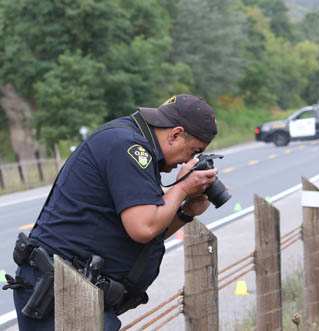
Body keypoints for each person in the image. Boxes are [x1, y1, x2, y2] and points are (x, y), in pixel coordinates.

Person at [4, 94, 218, 330]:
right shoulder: (129, 147)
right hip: (58, 293)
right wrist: (183, 187)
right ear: (176, 134)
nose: (189, 160)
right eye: (193, 151)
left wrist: (185, 213)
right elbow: (143, 228)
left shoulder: (135, 145)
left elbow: (145, 230)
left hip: (73, 291)